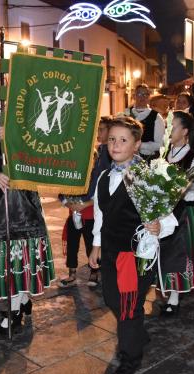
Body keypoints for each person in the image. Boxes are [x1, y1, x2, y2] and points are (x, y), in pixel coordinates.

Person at [0, 64, 55, 336]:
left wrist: (14, 138)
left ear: (2, 82)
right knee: (2, 252)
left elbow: (41, 149)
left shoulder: (21, 112)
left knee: (19, 249)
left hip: (20, 193)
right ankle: (21, 300)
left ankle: (15, 308)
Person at [88, 116, 178, 374]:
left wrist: (160, 228)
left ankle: (130, 357)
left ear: (137, 145)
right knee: (112, 299)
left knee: (128, 306)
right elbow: (100, 213)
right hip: (111, 250)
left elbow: (169, 218)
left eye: (123, 140)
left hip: (135, 254)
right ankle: (137, 334)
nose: (115, 144)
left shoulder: (147, 177)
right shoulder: (105, 176)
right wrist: (96, 245)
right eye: (112, 139)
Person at [159, 111, 194, 317]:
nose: (169, 131)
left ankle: (175, 297)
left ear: (185, 131)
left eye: (173, 126)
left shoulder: (193, 158)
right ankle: (166, 289)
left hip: (184, 214)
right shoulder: (165, 154)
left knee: (180, 254)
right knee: (165, 251)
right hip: (165, 213)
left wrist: (181, 193)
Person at [58, 115, 112, 289]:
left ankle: (94, 272)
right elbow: (62, 188)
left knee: (92, 243)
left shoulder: (106, 156)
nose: (97, 133)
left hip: (91, 213)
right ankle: (72, 274)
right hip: (74, 212)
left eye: (101, 129)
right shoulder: (77, 165)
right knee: (72, 244)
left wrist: (87, 204)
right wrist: (67, 201)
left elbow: (103, 188)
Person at [124, 84, 166, 160]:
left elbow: (160, 144)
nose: (142, 97)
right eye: (139, 94)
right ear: (134, 96)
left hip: (147, 158)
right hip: (126, 156)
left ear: (149, 97)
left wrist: (139, 145)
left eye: (145, 94)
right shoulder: (126, 114)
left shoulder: (156, 117)